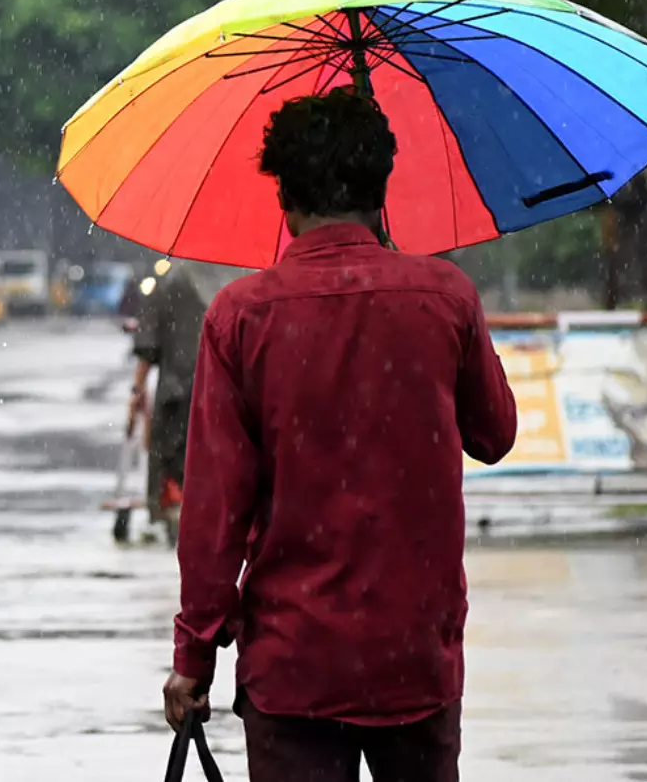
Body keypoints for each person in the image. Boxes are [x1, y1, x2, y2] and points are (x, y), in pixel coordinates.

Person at [161, 87, 517, 782]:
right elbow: (495, 434)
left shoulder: (240, 317)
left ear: (284, 199)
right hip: (416, 658)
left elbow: (214, 515)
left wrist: (193, 659)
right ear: (381, 187)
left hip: (294, 666)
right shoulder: (445, 297)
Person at [129, 261, 220, 541]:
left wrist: (137, 389)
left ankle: (174, 513)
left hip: (175, 391)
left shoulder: (170, 283)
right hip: (220, 395)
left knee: (171, 456)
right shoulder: (235, 280)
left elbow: (148, 345)